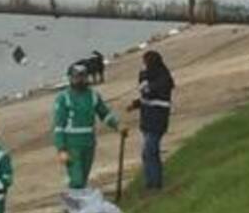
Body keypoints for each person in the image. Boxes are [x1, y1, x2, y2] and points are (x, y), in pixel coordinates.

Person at [53, 62, 120, 190]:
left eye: (83, 77)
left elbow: (104, 114)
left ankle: (78, 204)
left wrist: (117, 125)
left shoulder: (93, 95)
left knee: (83, 178)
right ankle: (74, 203)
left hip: (89, 143)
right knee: (76, 179)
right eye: (77, 77)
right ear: (70, 78)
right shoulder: (63, 98)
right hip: (72, 145)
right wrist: (61, 149)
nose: (80, 80)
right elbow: (58, 125)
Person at [129, 50, 175, 190]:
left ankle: (155, 184)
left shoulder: (163, 78)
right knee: (146, 153)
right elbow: (145, 96)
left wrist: (144, 80)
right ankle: (150, 182)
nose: (144, 66)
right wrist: (136, 104)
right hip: (147, 118)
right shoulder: (149, 76)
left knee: (151, 151)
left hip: (157, 119)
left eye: (145, 62)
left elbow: (150, 92)